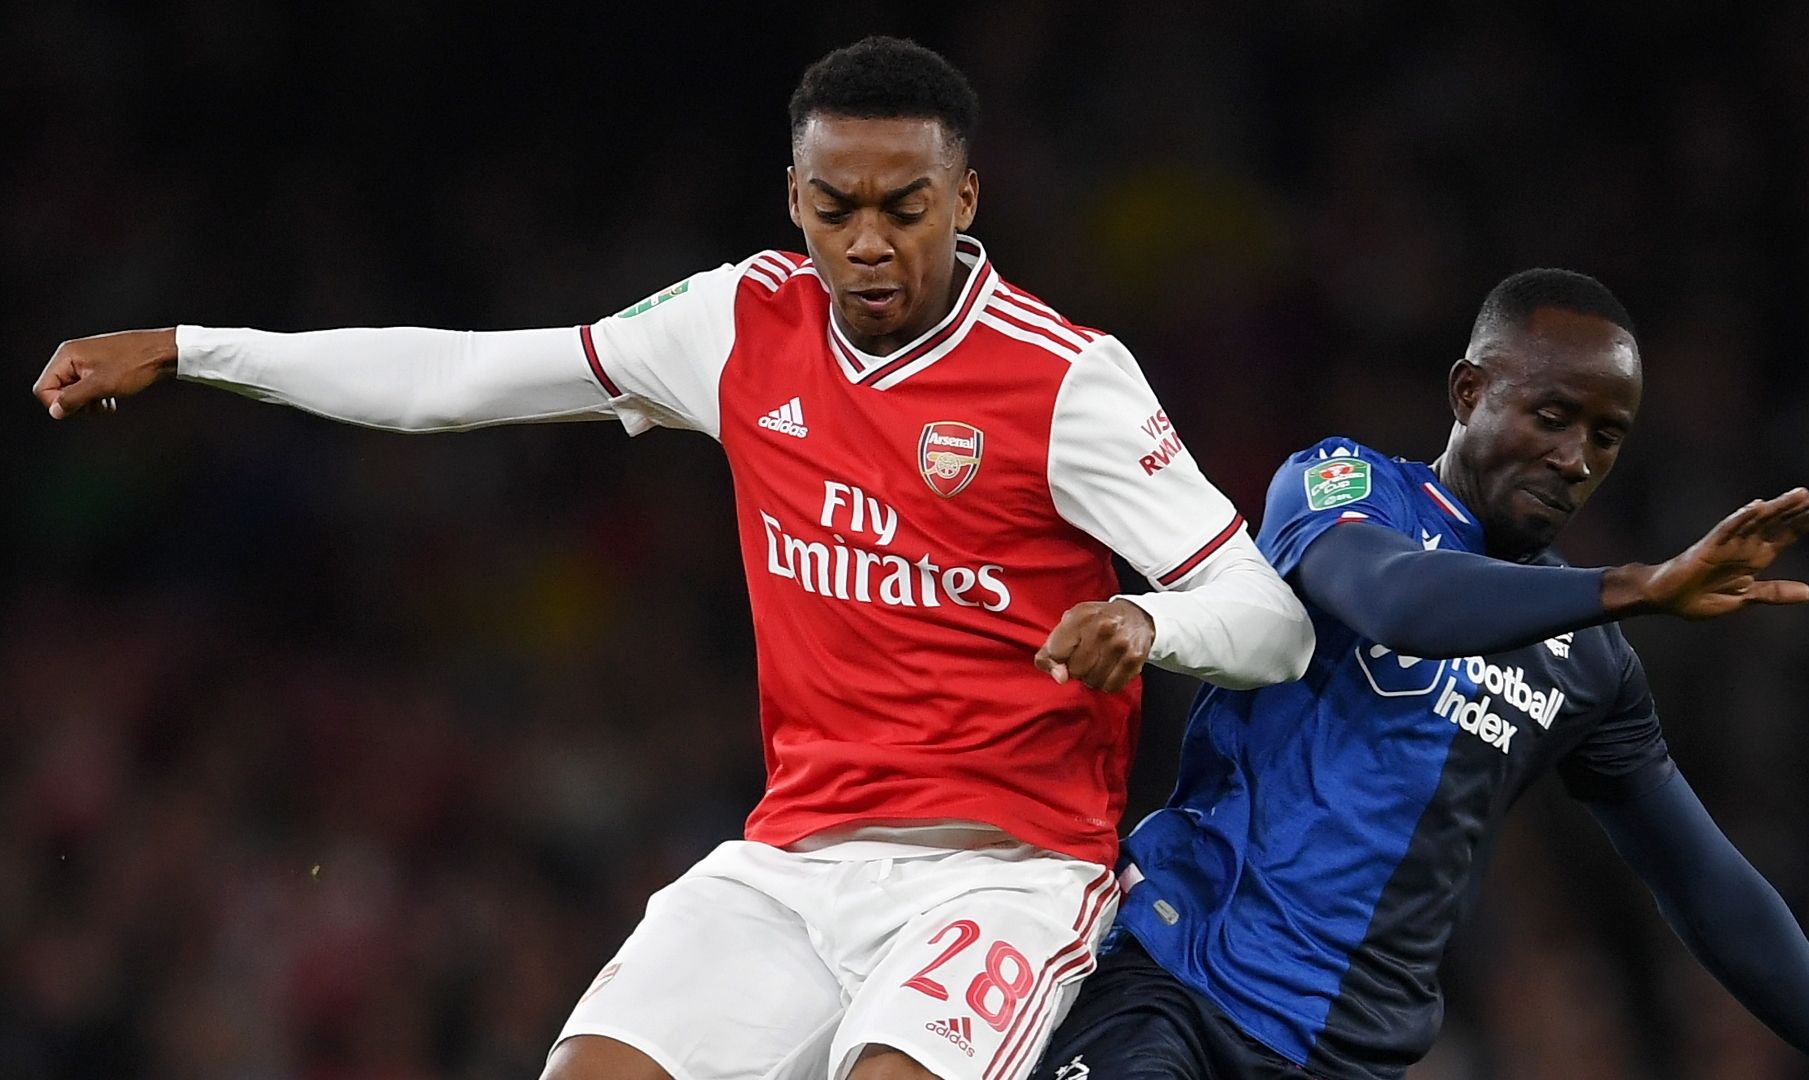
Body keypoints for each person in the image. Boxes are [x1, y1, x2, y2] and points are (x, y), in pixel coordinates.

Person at [30, 36, 1316, 1080]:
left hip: (1007, 876)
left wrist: (1154, 625)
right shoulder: (739, 322)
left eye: (906, 207)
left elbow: (1271, 619)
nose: (869, 241)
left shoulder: (1064, 382)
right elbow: (464, 377)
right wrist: (198, 347)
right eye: (837, 206)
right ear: (795, 198)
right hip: (792, 865)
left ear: (966, 199)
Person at [1031, 269, 1809, 1080]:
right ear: (1470, 392)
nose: (1577, 459)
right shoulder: (1342, 487)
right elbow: (1397, 601)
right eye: (1553, 415)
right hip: (1180, 980)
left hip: (1350, 1054)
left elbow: (1712, 891)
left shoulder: (1591, 662)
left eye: (1607, 436)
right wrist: (1632, 586)